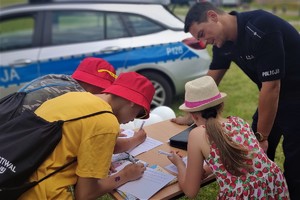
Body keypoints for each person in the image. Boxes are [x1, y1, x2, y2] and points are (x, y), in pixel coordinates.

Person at [171, 2, 300, 198]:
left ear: (213, 16)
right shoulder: (223, 43)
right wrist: (191, 114)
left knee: (295, 166)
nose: (204, 42)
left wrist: (262, 137)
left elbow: (272, 87)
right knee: (257, 158)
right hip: (275, 98)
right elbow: (210, 80)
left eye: (202, 34)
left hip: (295, 98)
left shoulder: (260, 27)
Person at [19, 71, 155, 200]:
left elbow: (99, 142)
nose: (133, 119)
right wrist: (125, 175)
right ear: (133, 103)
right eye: (139, 113)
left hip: (18, 178)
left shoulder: (73, 96)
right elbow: (84, 194)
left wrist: (135, 139)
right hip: (45, 193)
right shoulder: (105, 121)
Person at [167, 76, 289, 199]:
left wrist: (180, 165)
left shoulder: (197, 135)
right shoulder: (238, 122)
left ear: (193, 116)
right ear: (221, 105)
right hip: (272, 184)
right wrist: (204, 170)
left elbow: (190, 191)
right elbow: (234, 158)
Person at [18, 57, 147, 154]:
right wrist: (135, 140)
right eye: (104, 90)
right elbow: (106, 147)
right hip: (20, 154)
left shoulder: (58, 80)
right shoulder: (77, 98)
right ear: (95, 86)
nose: (106, 95)